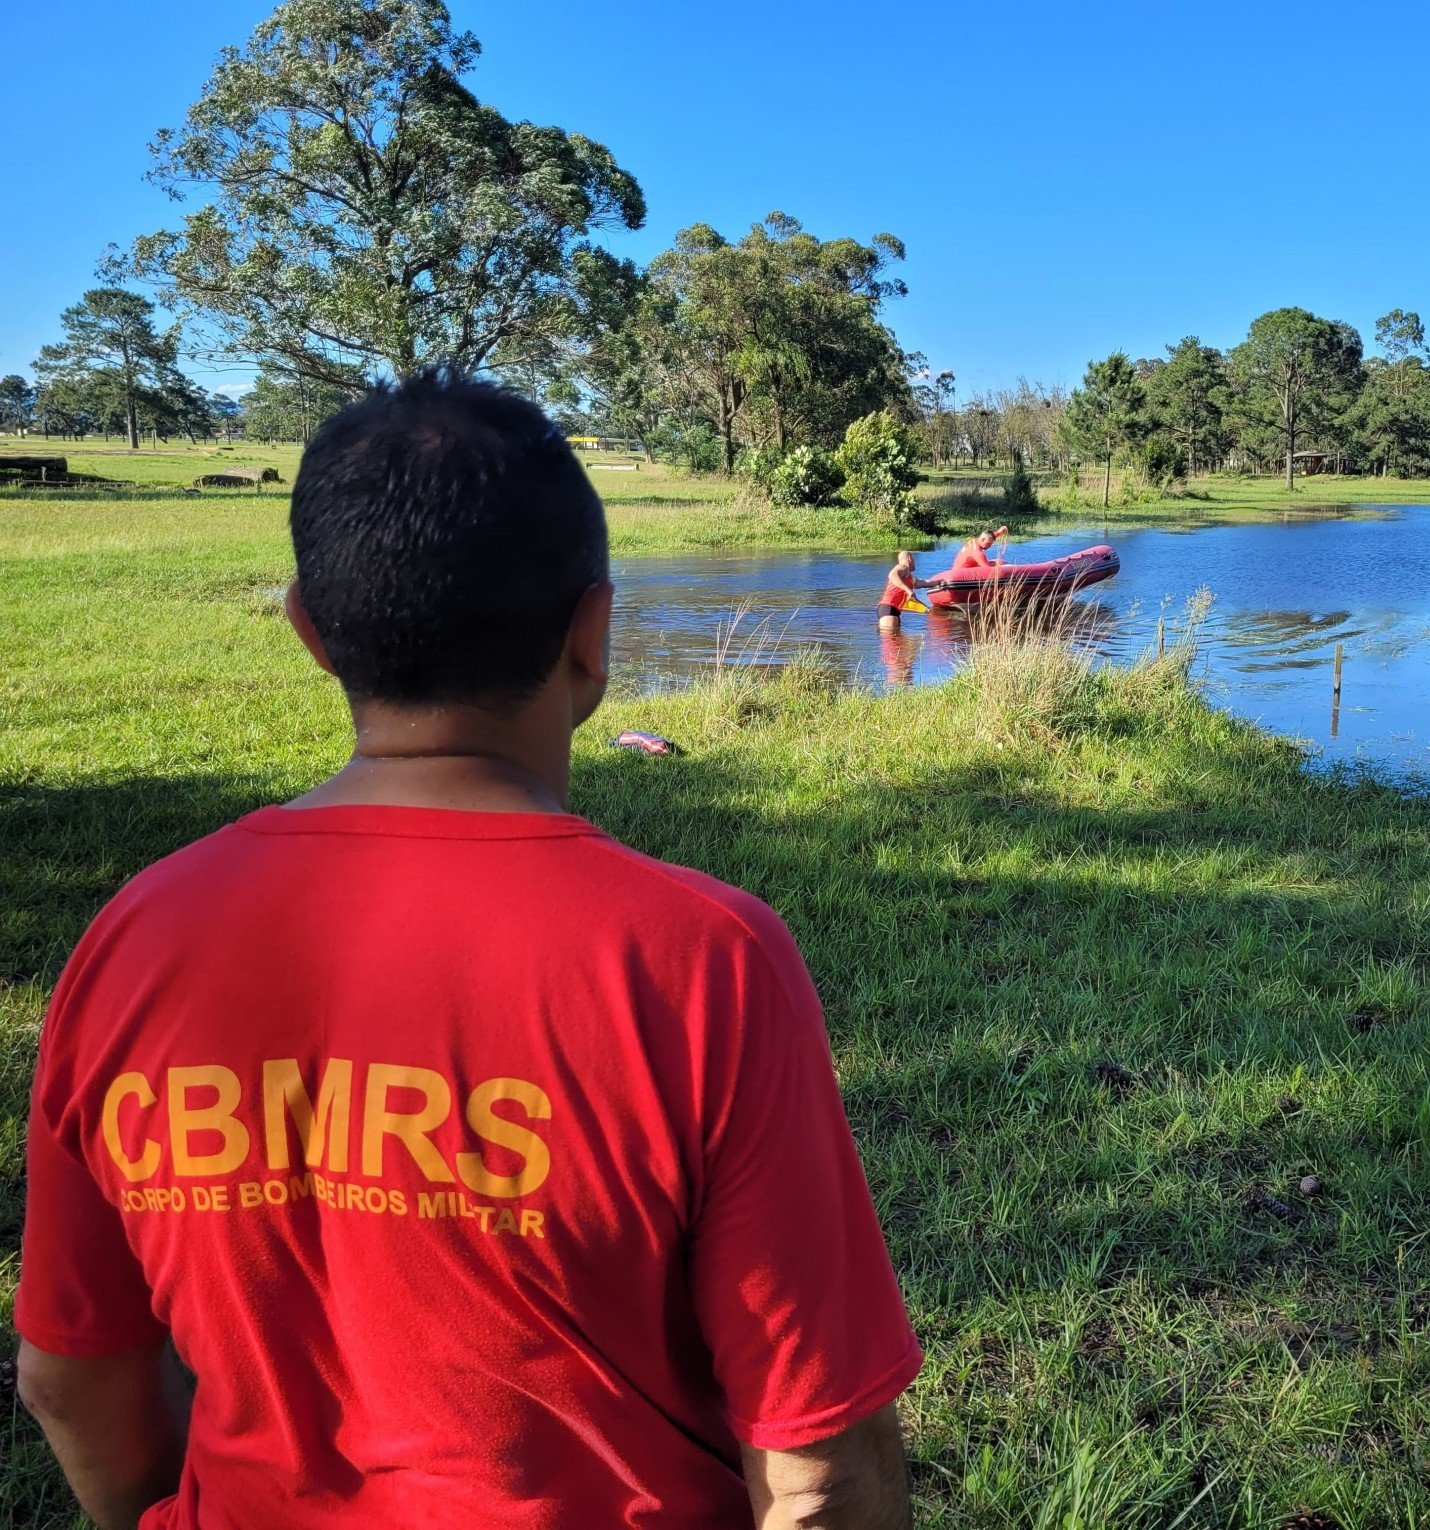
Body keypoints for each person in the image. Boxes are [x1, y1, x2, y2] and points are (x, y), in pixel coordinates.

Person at [14, 372, 920, 1530]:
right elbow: (820, 1467)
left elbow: (67, 1379)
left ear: (310, 632)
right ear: (592, 640)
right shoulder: (705, 962)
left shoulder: (129, 940)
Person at [878, 549, 923, 631]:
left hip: (892, 610)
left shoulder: (909, 577)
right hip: (889, 608)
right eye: (914, 559)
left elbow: (921, 583)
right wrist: (909, 590)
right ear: (910, 558)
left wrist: (939, 582)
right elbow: (892, 575)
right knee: (890, 639)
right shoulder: (903, 567)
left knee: (896, 640)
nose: (914, 562)